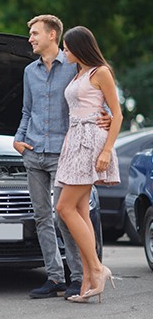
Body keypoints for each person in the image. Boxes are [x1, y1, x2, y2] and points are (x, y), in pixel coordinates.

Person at [13, 15, 111, 300]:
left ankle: (79, 275)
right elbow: (26, 111)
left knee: (64, 216)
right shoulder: (29, 71)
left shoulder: (73, 66)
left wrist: (104, 118)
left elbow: (93, 98)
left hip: (65, 152)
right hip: (33, 152)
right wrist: (18, 138)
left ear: (52, 35)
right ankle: (54, 277)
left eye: (34, 33)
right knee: (42, 217)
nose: (30, 38)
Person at [55, 26, 122, 303]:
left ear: (80, 47)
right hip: (73, 141)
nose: (64, 51)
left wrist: (107, 150)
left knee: (64, 208)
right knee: (80, 211)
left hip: (90, 141)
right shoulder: (78, 73)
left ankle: (98, 268)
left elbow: (117, 115)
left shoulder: (100, 72)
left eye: (67, 47)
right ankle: (86, 282)